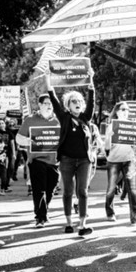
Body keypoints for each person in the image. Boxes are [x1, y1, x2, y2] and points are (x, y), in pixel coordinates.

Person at [46, 70, 96, 236]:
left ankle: (82, 225)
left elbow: (92, 102)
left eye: (79, 101)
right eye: (73, 101)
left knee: (82, 191)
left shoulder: (86, 117)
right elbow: (53, 99)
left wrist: (91, 82)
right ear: (68, 105)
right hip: (67, 160)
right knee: (68, 191)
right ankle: (68, 223)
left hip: (84, 160)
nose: (77, 103)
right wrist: (48, 79)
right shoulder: (64, 117)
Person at [16, 94, 60, 228]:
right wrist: (28, 141)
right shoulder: (30, 120)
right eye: (46, 103)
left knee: (50, 189)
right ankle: (40, 217)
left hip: (54, 161)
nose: (49, 106)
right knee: (39, 189)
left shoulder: (58, 121)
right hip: (36, 160)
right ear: (39, 105)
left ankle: (43, 211)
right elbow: (18, 138)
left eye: (51, 103)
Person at [104, 102, 136, 224]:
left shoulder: (132, 125)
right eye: (123, 109)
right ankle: (110, 212)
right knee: (111, 188)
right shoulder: (112, 126)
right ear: (117, 111)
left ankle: (134, 215)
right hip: (114, 161)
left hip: (129, 160)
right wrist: (108, 137)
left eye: (127, 109)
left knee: (132, 189)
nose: (126, 111)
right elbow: (107, 147)